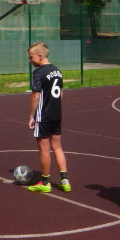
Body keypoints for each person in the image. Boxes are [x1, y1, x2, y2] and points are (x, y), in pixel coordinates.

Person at [26, 42, 71, 193]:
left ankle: (45, 182)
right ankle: (64, 180)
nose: (29, 60)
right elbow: (61, 94)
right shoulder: (57, 70)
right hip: (56, 114)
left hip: (43, 115)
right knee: (57, 147)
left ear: (40, 56)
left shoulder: (38, 73)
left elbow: (35, 96)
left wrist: (31, 116)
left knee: (44, 150)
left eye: (31, 57)